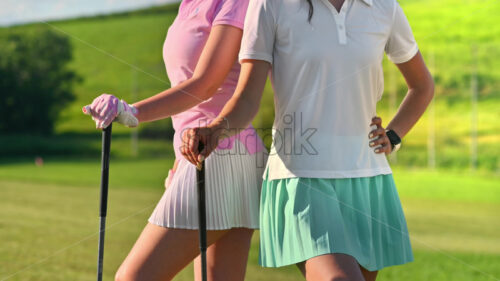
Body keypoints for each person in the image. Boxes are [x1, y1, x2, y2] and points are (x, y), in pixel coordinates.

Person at [181, 0, 434, 280]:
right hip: (301, 178)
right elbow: (247, 97)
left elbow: (422, 86)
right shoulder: (271, 6)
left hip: (368, 181)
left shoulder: (383, 8)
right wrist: (216, 129)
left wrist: (393, 135)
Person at [83, 0, 267, 280]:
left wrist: (132, 112)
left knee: (133, 278)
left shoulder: (233, 2)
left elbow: (206, 84)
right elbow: (190, 107)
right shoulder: (189, 4)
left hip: (221, 153)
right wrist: (179, 161)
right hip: (200, 155)